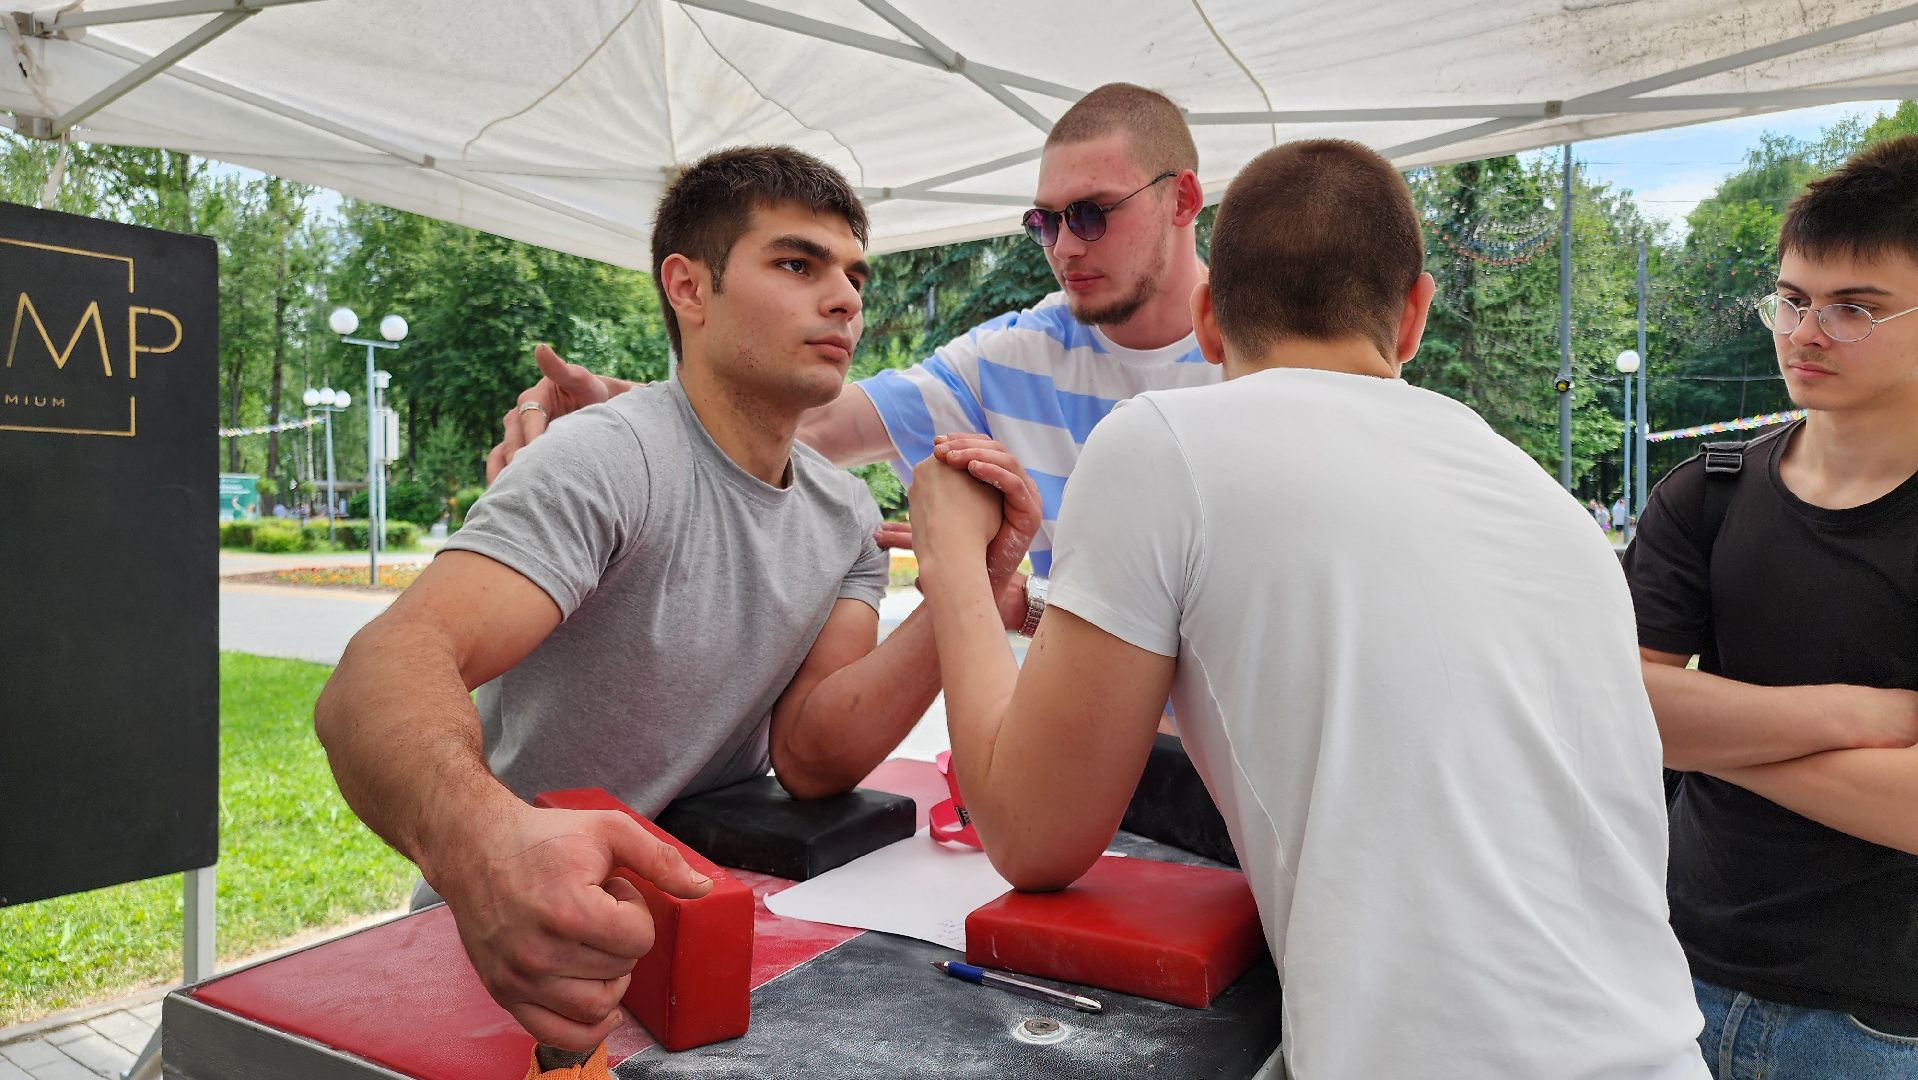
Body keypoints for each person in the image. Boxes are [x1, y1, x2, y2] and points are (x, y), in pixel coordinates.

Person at [910, 140, 1708, 1078]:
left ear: (1207, 319)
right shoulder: (1549, 506)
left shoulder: (1163, 444)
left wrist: (953, 565)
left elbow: (1029, 833)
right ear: (1414, 314)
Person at [313, 146, 1038, 1060]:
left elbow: (814, 754)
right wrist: (484, 850)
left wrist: (965, 585)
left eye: (853, 273)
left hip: (708, 923)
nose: (848, 298)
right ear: (688, 290)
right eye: (796, 263)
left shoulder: (846, 510)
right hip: (522, 939)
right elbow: (378, 672)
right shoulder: (610, 459)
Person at [489, 82, 1216, 593]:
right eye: (1043, 222)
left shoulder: (1273, 353)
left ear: (1182, 199)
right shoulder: (1014, 353)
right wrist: (619, 404)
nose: (1064, 247)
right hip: (1090, 759)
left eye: (1090, 213)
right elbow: (808, 425)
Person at [1623, 135, 1918, 1079]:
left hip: (1880, 1027)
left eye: (1853, 310)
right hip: (1670, 979)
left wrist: (1708, 736)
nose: (1804, 332)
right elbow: (1614, 706)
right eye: (1791, 299)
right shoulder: (1704, 492)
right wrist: (1856, 718)